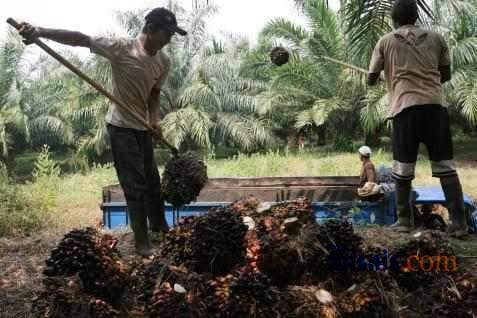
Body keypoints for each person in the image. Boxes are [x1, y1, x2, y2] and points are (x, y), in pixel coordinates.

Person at [19, 7, 188, 256]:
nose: (169, 40)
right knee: (135, 185)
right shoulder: (121, 48)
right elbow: (80, 39)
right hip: (121, 127)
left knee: (153, 181)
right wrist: (40, 32)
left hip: (142, 126)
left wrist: (154, 120)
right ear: (151, 29)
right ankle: (142, 242)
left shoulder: (163, 61)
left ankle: (160, 228)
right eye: (167, 34)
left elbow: (154, 93)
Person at [367, 0, 468, 237]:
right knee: (445, 167)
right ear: (415, 17)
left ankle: (404, 221)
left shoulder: (386, 41)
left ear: (395, 20)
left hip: (405, 108)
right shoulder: (437, 38)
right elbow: (445, 74)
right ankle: (459, 223)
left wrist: (388, 78)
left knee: (403, 168)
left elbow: (371, 78)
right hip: (435, 107)